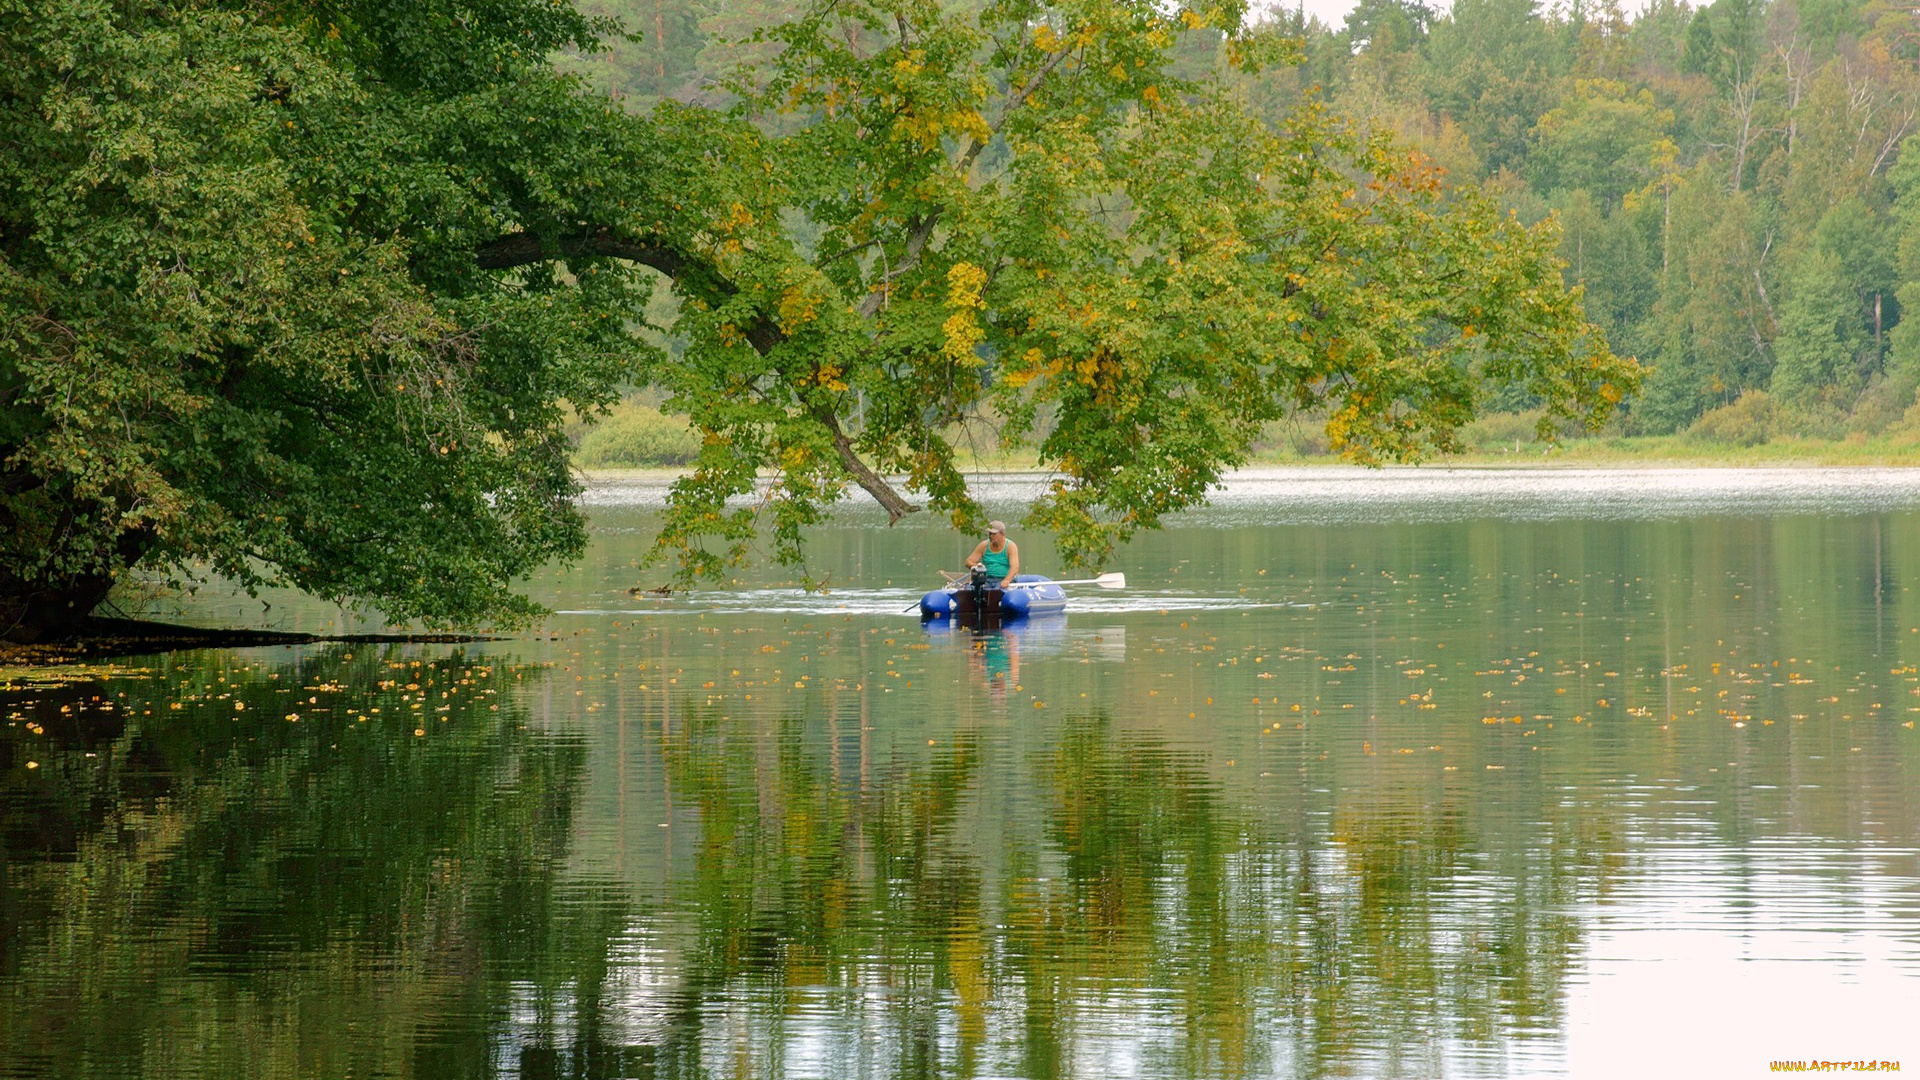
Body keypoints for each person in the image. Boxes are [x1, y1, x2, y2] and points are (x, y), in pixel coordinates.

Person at [965, 521, 1020, 587]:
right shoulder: (984, 545)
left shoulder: (1010, 546)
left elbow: (1015, 567)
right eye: (990, 534)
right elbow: (968, 562)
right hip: (986, 579)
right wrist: (978, 566)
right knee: (970, 588)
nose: (991, 536)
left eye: (994, 534)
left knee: (998, 589)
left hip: (1003, 579)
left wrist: (1007, 580)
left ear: (1002, 534)